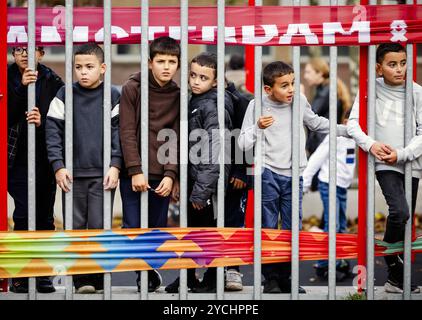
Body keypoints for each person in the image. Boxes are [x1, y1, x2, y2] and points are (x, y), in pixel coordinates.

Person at [238, 61, 348, 294]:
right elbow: (242, 143)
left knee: (291, 228)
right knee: (268, 227)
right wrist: (257, 127)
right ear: (268, 89)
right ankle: (270, 278)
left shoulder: (298, 102)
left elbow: (316, 123)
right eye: (284, 85)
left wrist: (347, 130)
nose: (291, 90)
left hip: (294, 174)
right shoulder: (256, 106)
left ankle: (287, 277)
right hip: (267, 172)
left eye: (293, 83)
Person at [45, 43, 122, 294]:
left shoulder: (113, 95)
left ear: (102, 68)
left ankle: (99, 278)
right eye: (78, 67)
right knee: (75, 227)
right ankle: (81, 279)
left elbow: (118, 133)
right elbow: (53, 132)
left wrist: (115, 164)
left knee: (100, 227)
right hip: (72, 175)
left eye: (89, 67)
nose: (83, 72)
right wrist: (58, 166)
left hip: (103, 175)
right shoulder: (64, 94)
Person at [347, 43, 422, 294]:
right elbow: (353, 124)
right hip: (383, 162)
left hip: (410, 162)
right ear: (379, 68)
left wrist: (403, 153)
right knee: (399, 211)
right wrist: (372, 144)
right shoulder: (371, 90)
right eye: (392, 64)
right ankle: (392, 262)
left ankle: (394, 280)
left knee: (405, 217)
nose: (399, 69)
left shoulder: (417, 92)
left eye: (403, 63)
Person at [165, 52, 234, 293]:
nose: (196, 81)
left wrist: (201, 191)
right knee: (191, 231)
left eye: (203, 78)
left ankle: (213, 279)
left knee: (210, 232)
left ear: (215, 82)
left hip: (209, 185)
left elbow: (216, 149)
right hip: (194, 180)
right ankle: (189, 276)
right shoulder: (192, 100)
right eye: (193, 75)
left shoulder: (214, 105)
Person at [119, 36, 180, 293]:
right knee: (132, 226)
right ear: (149, 62)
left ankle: (148, 270)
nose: (166, 67)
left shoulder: (178, 94)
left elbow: (177, 134)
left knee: (156, 229)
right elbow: (127, 131)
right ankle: (143, 273)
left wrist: (170, 174)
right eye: (161, 61)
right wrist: (135, 169)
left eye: (172, 62)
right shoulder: (133, 88)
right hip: (134, 172)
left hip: (161, 173)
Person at [7, 46, 63, 294]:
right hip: (15, 157)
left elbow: (59, 121)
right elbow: (5, 115)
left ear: (41, 53)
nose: (24, 54)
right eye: (18, 49)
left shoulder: (52, 81)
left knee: (44, 217)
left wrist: (42, 123)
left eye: (30, 50)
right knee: (22, 216)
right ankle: (20, 275)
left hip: (43, 158)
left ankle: (42, 274)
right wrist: (20, 87)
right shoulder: (6, 76)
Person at [302, 109, 356, 281]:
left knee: (340, 225)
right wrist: (306, 181)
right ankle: (324, 263)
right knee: (332, 225)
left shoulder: (358, 139)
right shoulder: (336, 138)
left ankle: (337, 260)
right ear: (344, 121)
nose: (352, 125)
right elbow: (316, 158)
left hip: (342, 186)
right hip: (329, 183)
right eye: (349, 120)